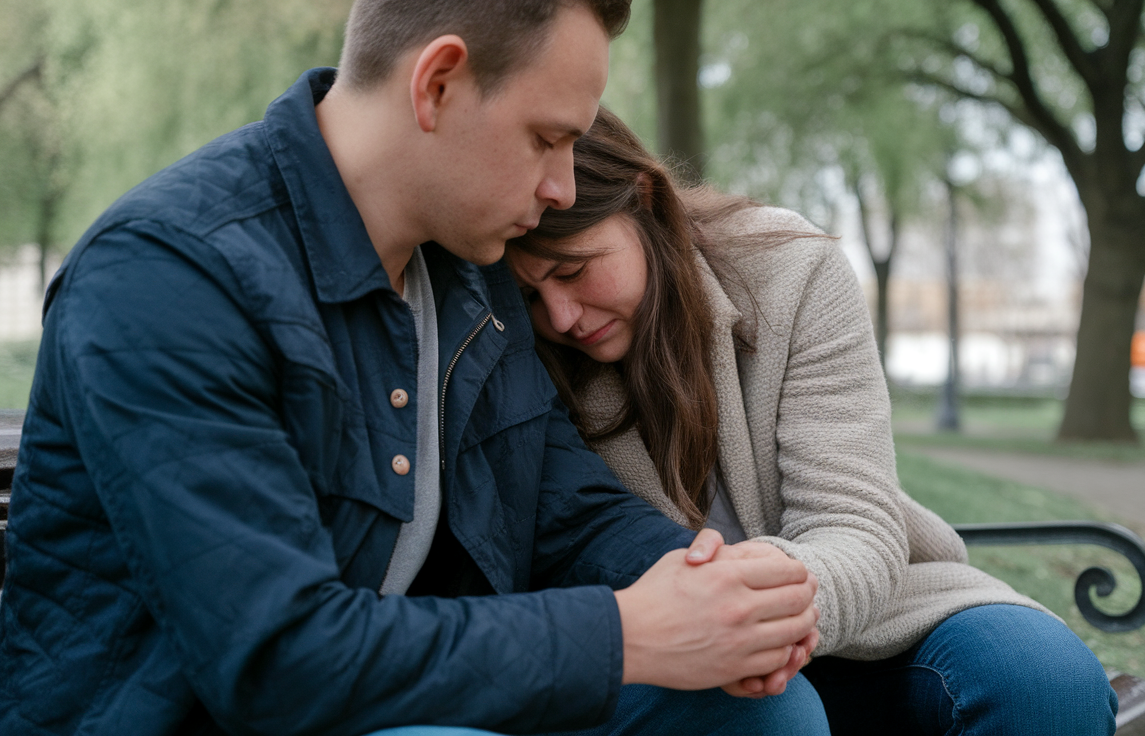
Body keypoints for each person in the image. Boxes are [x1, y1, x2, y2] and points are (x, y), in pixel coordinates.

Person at [0, 3, 830, 735]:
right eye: (548, 139)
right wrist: (631, 635)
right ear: (437, 84)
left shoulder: (470, 275)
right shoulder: (171, 276)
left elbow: (566, 515)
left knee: (757, 709)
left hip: (430, 698)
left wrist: (723, 591)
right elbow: (275, 661)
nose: (562, 187)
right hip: (226, 716)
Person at [504, 107, 1120, 736]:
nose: (559, 316)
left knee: (1046, 683)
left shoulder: (792, 271)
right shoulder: (519, 350)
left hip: (863, 611)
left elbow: (853, 525)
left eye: (572, 270)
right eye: (529, 294)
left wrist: (761, 612)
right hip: (674, 663)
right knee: (767, 714)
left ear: (645, 200)